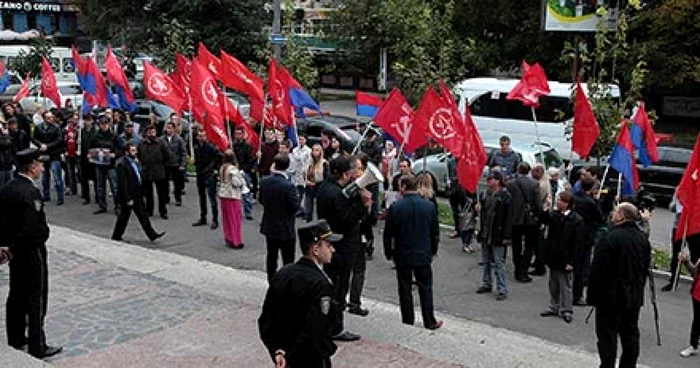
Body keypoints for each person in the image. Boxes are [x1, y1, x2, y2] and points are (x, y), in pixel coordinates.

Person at [0, 148, 63, 359]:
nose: (42, 168)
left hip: (15, 252)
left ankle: (16, 337)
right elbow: (30, 227)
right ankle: (38, 344)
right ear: (32, 167)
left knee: (16, 293)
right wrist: (14, 247)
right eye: (40, 164)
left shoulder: (8, 187)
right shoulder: (30, 192)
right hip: (31, 250)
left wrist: (6, 246)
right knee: (36, 297)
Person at [258, 220, 339, 368]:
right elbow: (315, 330)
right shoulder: (321, 284)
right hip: (309, 359)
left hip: (284, 356)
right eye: (328, 245)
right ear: (315, 249)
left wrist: (277, 351)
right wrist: (291, 356)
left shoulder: (283, 273)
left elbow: (266, 320)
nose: (332, 250)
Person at [587, 203, 651, 368]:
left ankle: (607, 365)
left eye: (615, 211)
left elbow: (598, 270)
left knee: (607, 336)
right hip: (634, 297)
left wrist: (592, 296)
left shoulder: (609, 238)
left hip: (610, 298)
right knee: (630, 335)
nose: (612, 213)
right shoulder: (642, 238)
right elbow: (644, 269)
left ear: (621, 216)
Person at [316, 155, 371, 341]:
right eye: (354, 170)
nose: (357, 173)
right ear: (346, 174)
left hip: (332, 244)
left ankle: (327, 323)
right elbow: (347, 219)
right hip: (342, 246)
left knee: (332, 283)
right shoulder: (337, 194)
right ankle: (335, 328)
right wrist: (363, 205)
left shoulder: (326, 187)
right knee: (339, 287)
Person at [384, 175, 443, 329]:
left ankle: (407, 320)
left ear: (403, 187)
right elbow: (434, 232)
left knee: (404, 288)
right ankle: (429, 320)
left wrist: (388, 252)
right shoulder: (429, 206)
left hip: (402, 253)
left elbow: (388, 233)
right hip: (423, 253)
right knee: (425, 287)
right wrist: (433, 250)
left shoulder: (396, 207)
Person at [539, 191, 584, 323]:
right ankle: (554, 306)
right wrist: (545, 209)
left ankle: (567, 309)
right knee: (553, 284)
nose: (558, 202)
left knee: (565, 285)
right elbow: (544, 221)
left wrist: (572, 261)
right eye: (558, 200)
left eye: (561, 201)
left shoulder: (576, 220)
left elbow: (578, 243)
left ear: (567, 204)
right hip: (554, 256)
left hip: (566, 257)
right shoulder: (554, 215)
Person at [111, 143, 166, 242]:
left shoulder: (135, 162)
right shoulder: (122, 165)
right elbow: (123, 184)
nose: (135, 152)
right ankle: (116, 235)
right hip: (129, 196)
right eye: (132, 151)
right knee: (123, 218)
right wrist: (128, 198)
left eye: (135, 150)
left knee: (143, 215)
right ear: (126, 152)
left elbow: (139, 176)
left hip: (137, 193)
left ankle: (152, 234)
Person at [259, 154, 300, 281]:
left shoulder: (264, 181)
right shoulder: (289, 186)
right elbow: (295, 206)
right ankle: (287, 281)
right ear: (287, 167)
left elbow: (261, 200)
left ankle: (271, 279)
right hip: (285, 227)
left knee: (271, 255)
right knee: (288, 258)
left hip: (270, 224)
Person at [476, 169, 513, 301]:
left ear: (498, 180)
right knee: (486, 261)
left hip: (498, 234)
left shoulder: (505, 197)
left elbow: (509, 218)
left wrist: (507, 236)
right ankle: (487, 283)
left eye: (491, 178)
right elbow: (482, 213)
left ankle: (502, 289)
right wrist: (479, 208)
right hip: (486, 232)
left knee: (499, 262)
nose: (488, 181)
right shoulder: (484, 194)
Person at [506, 162, 542, 283]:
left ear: (518, 170)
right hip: (530, 219)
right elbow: (537, 204)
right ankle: (523, 270)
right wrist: (539, 216)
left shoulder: (510, 183)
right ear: (529, 171)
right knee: (529, 246)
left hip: (515, 218)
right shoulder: (534, 184)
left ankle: (517, 268)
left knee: (516, 245)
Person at [572, 177, 605, 305]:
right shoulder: (590, 203)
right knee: (581, 267)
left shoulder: (574, 197)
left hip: (573, 234)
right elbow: (599, 218)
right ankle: (577, 295)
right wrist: (597, 201)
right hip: (585, 236)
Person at [348, 154, 372, 316]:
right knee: (358, 270)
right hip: (355, 235)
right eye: (358, 168)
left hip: (356, 234)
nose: (361, 171)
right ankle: (354, 303)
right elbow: (361, 217)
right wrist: (366, 207)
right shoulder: (353, 191)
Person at [32, 110, 65, 205]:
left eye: (51, 117)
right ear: (44, 118)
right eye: (48, 118)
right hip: (43, 155)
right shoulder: (39, 127)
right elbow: (34, 138)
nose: (51, 119)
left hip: (54, 154)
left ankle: (60, 198)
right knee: (45, 177)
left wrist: (48, 145)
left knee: (57, 177)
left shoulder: (56, 128)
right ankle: (46, 195)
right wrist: (40, 144)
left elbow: (59, 140)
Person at [192, 129, 222, 229]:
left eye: (203, 136)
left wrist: (214, 168)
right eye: (200, 136)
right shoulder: (196, 148)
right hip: (200, 174)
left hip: (209, 174)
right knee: (202, 197)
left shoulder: (211, 147)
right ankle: (203, 217)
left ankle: (215, 219)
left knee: (212, 198)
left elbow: (219, 157)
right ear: (197, 137)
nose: (202, 138)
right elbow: (197, 161)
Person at [91, 117, 119, 214]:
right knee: (100, 187)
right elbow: (91, 148)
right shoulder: (95, 136)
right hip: (99, 165)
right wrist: (91, 154)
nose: (104, 126)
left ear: (108, 124)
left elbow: (121, 148)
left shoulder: (114, 136)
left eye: (105, 124)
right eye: (102, 124)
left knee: (114, 187)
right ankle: (102, 206)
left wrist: (115, 154)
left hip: (111, 165)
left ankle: (117, 206)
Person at [218, 150, 245, 249]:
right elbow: (236, 183)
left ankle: (228, 237)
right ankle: (236, 241)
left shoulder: (222, 168)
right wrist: (241, 180)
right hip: (232, 196)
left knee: (226, 219)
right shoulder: (233, 169)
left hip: (223, 194)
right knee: (235, 219)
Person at [530, 163, 552, 276]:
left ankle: (540, 265)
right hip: (544, 212)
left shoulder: (541, 185)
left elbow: (537, 200)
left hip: (541, 214)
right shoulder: (545, 181)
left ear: (539, 172)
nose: (531, 174)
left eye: (533, 172)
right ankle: (537, 261)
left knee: (538, 241)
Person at [679, 250, 700, 358]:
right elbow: (694, 272)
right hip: (698, 294)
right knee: (697, 321)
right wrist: (686, 261)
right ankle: (693, 345)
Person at [232, 126, 255, 219]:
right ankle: (235, 211)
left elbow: (250, 160)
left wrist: (243, 168)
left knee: (246, 193)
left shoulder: (248, 147)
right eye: (236, 134)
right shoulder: (232, 146)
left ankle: (248, 212)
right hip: (233, 172)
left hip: (244, 172)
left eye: (239, 134)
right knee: (234, 193)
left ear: (243, 135)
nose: (237, 136)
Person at [163, 122, 187, 207]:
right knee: (165, 183)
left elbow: (183, 153)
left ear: (174, 129)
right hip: (165, 164)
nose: (168, 130)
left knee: (177, 183)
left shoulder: (179, 139)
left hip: (175, 164)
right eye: (167, 128)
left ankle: (178, 199)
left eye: (170, 128)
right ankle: (166, 197)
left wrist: (183, 164)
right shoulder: (162, 139)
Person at [290, 134, 311, 218]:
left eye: (302, 139)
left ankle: (304, 210)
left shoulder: (308, 151)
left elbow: (308, 162)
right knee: (297, 193)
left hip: (304, 174)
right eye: (299, 139)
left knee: (304, 193)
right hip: (296, 174)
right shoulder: (295, 150)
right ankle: (298, 209)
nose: (300, 141)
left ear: (305, 140)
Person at [79, 114, 97, 205]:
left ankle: (98, 196)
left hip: (94, 158)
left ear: (92, 121)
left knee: (96, 178)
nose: (87, 122)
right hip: (84, 158)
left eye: (89, 120)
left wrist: (92, 153)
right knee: (84, 178)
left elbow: (97, 144)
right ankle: (86, 197)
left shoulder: (96, 131)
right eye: (86, 120)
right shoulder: (81, 132)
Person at [62, 117, 79, 196]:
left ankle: (79, 189)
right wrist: (64, 151)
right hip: (68, 154)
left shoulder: (77, 131)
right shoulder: (65, 131)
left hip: (76, 154)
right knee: (70, 172)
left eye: (72, 124)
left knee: (79, 172)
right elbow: (63, 142)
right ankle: (72, 189)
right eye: (70, 124)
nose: (71, 125)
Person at [0, 122, 13, 186]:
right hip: (2, 166)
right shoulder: (5, 136)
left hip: (7, 163)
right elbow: (5, 144)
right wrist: (5, 135)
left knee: (8, 186)